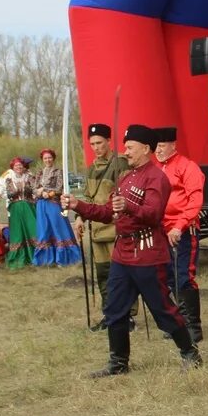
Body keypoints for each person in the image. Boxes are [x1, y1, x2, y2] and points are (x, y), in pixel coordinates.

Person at [62, 124, 202, 376]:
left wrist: (127, 206)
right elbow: (106, 213)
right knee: (114, 309)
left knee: (163, 310)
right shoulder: (125, 177)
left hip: (148, 254)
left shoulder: (157, 178)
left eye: (130, 147)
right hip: (122, 254)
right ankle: (118, 363)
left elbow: (153, 213)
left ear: (145, 148)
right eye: (125, 147)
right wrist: (78, 205)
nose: (125, 151)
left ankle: (190, 353)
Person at [155, 127, 206, 342]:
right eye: (155, 147)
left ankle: (193, 326)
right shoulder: (154, 168)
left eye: (162, 146)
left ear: (173, 145)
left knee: (183, 275)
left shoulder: (187, 167)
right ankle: (178, 323)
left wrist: (180, 225)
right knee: (166, 276)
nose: (158, 150)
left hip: (183, 230)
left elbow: (194, 199)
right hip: (160, 229)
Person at [77, 123, 128, 312]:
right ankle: (110, 313)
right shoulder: (91, 169)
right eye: (92, 144)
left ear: (108, 141)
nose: (96, 148)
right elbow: (88, 197)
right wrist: (80, 218)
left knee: (121, 273)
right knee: (103, 273)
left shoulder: (120, 164)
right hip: (96, 230)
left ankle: (127, 315)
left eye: (100, 143)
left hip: (116, 229)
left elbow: (126, 194)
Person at [33, 149, 81, 267]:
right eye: (45, 158)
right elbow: (34, 188)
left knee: (58, 228)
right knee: (44, 230)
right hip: (41, 205)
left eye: (49, 158)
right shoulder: (39, 173)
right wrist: (40, 192)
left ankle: (64, 257)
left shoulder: (58, 172)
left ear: (53, 158)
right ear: (42, 160)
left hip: (53, 203)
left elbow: (59, 188)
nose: (47, 160)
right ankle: (46, 259)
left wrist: (48, 193)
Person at [2, 157, 38, 269]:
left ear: (24, 167)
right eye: (16, 166)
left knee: (32, 230)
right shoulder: (8, 180)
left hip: (28, 207)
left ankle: (34, 256)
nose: (19, 167)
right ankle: (18, 257)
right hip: (15, 209)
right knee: (17, 233)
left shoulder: (30, 177)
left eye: (20, 165)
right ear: (12, 167)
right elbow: (8, 194)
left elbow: (35, 189)